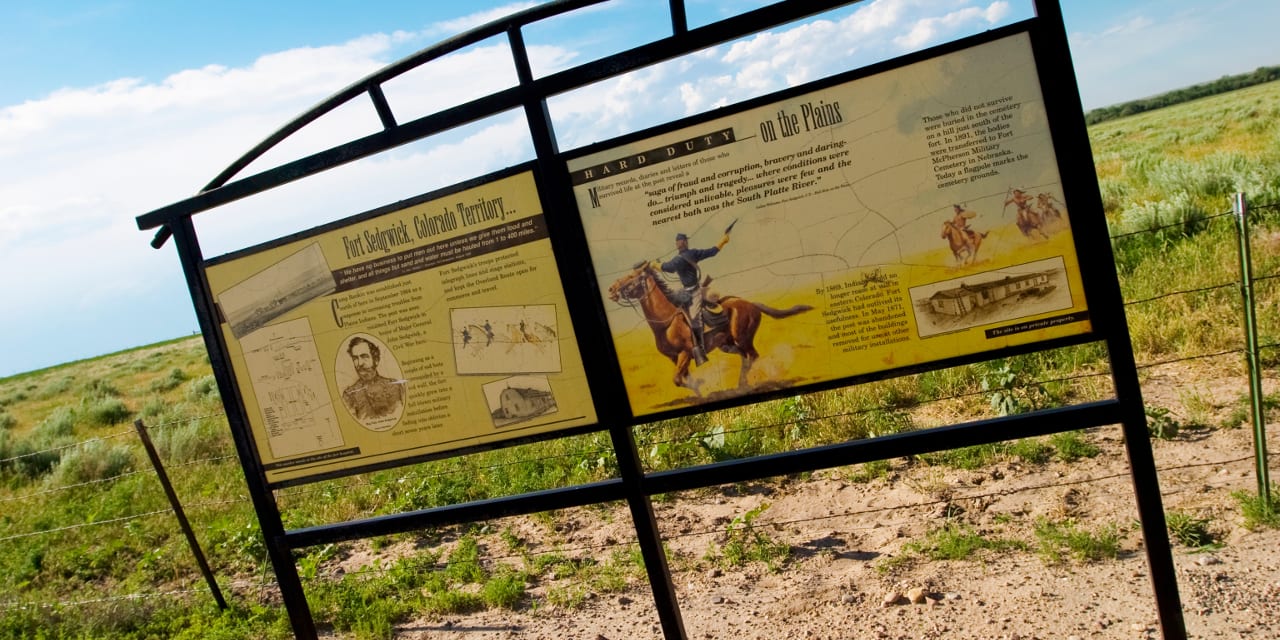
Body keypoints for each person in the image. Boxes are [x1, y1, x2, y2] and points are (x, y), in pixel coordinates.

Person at [654, 231, 729, 365]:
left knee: (694, 318)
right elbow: (712, 251)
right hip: (685, 291)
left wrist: (655, 265)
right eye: (678, 241)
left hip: (694, 292)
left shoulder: (684, 257)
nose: (680, 243)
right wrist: (722, 242)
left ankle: (700, 349)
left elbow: (668, 267)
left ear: (685, 243)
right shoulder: (686, 255)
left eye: (682, 241)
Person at [341, 336, 405, 422]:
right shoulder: (349, 395)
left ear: (376, 360)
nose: (359, 363)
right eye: (355, 358)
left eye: (364, 357)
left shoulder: (395, 386)